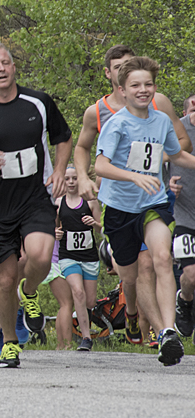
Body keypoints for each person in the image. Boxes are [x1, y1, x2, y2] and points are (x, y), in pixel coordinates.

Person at [0, 42, 72, 368]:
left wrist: (61, 169)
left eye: (6, 62)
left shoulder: (38, 101)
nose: (2, 69)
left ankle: (32, 289)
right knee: (2, 280)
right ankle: (8, 341)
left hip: (35, 197)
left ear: (14, 66)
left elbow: (62, 137)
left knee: (39, 255)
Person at [73, 44, 189, 344]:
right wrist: (133, 176)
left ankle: (167, 331)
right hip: (119, 209)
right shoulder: (115, 123)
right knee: (130, 277)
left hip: (153, 203)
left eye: (148, 84)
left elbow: (178, 154)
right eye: (136, 85)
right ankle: (133, 315)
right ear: (122, 89)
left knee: (161, 258)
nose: (143, 90)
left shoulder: (162, 120)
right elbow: (101, 165)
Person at [54, 166, 101, 351]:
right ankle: (86, 338)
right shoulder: (58, 203)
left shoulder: (90, 202)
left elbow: (103, 229)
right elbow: (54, 228)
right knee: (77, 292)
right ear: (63, 182)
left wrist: (95, 223)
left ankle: (82, 320)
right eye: (67, 179)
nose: (72, 182)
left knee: (90, 301)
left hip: (89, 257)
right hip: (68, 256)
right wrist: (56, 233)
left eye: (74, 178)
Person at [170, 94, 195, 337]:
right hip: (184, 214)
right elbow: (154, 163)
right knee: (191, 274)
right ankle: (185, 299)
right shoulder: (175, 130)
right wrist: (166, 184)